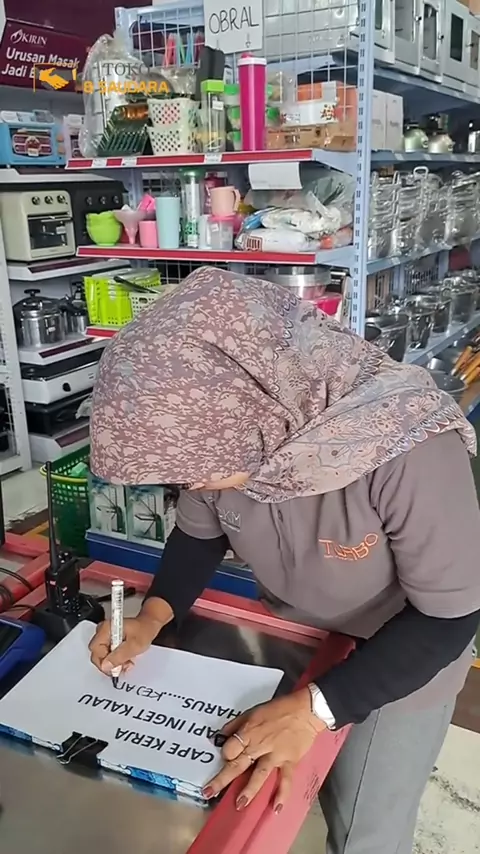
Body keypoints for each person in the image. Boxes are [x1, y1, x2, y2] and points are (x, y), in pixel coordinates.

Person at [88, 266, 480, 854]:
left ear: (255, 410)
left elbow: (449, 618)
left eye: (196, 472)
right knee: (275, 788)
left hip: (403, 653)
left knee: (365, 827)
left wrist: (317, 709)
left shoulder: (408, 448)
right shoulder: (229, 439)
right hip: (300, 636)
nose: (193, 486)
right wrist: (154, 614)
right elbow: (199, 537)